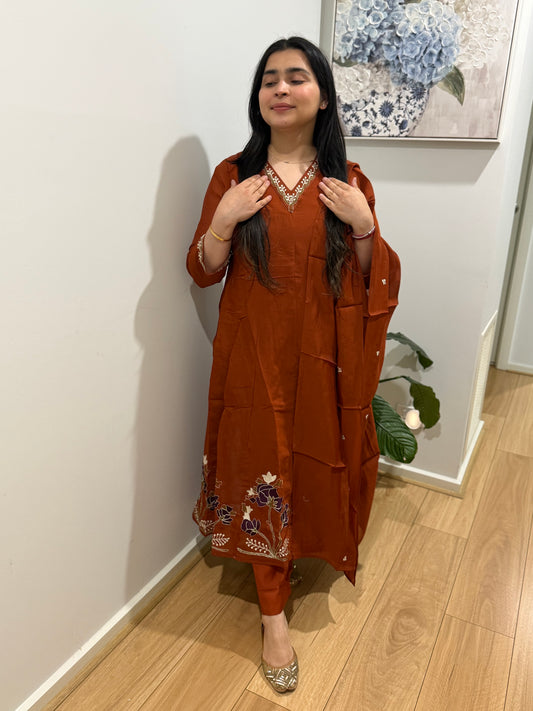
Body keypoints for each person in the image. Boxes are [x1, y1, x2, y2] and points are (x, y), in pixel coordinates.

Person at [186, 36, 400, 694]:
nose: (280, 89)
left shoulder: (348, 182)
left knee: (312, 456)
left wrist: (364, 226)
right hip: (253, 356)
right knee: (258, 462)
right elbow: (202, 270)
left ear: (323, 96)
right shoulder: (232, 176)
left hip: (323, 358)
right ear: (258, 97)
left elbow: (372, 279)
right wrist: (222, 221)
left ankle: (300, 551)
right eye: (269, 79)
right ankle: (272, 615)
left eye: (296, 77)